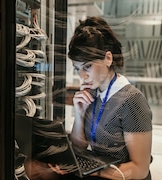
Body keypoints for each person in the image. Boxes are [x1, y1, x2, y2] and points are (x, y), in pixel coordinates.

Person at [49, 16, 152, 180]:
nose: (82, 76)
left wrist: (93, 171)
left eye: (87, 67)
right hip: (98, 172)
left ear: (108, 58)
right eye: (77, 69)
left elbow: (140, 169)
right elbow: (79, 146)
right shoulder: (91, 93)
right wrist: (79, 114)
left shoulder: (132, 101)